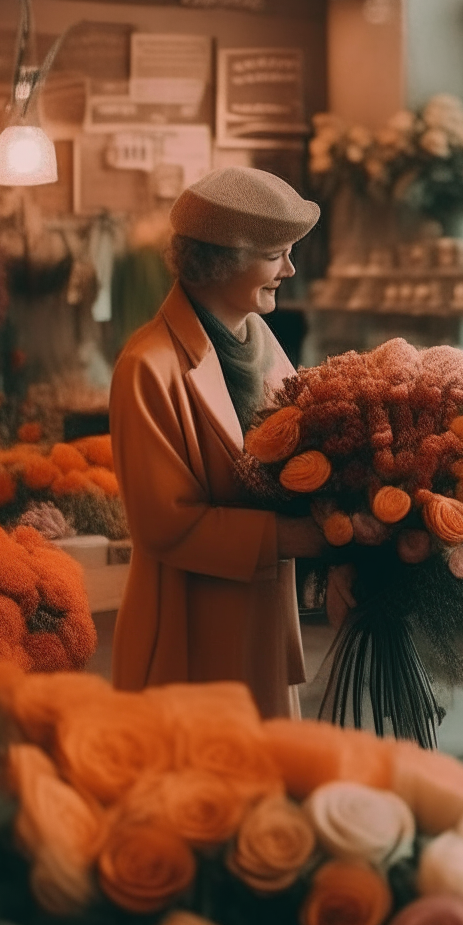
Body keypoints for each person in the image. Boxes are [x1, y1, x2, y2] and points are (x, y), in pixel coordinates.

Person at [109, 166, 352, 719]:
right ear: (219, 260)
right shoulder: (146, 366)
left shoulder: (260, 341)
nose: (289, 269)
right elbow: (166, 525)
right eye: (276, 255)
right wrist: (301, 537)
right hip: (189, 637)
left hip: (260, 627)